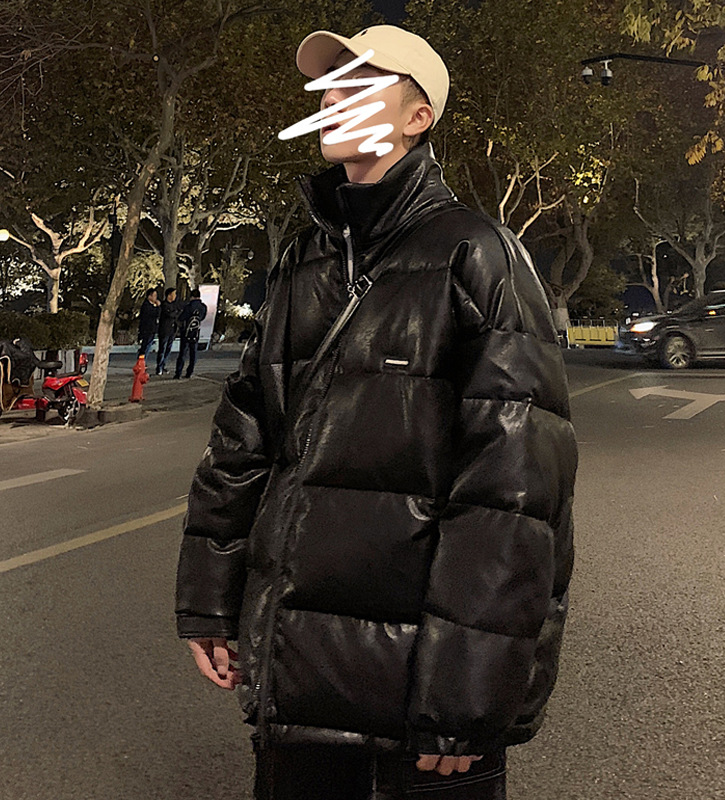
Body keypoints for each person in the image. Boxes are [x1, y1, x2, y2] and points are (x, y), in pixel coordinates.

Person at [176, 25, 577, 800]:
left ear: (418, 117)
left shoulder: (478, 256)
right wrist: (208, 603)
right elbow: (242, 440)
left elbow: (513, 496)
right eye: (330, 85)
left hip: (420, 698)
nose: (333, 98)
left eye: (360, 84)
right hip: (300, 675)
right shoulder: (303, 262)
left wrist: (466, 696)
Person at [174, 288, 207, 379]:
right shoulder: (203, 307)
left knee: (183, 353)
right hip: (196, 332)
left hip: (186, 331)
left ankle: (178, 373)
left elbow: (182, 317)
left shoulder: (188, 306)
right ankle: (189, 372)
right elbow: (202, 317)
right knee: (193, 353)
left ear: (192, 297)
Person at [156, 287, 181, 376]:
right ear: (169, 295)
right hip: (164, 329)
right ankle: (159, 367)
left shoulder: (174, 305)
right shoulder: (164, 305)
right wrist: (175, 313)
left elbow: (177, 313)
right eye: (174, 294)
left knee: (168, 349)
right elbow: (170, 314)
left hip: (172, 330)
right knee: (162, 349)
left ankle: (163, 365)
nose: (175, 296)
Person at [137, 288, 160, 363]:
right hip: (147, 329)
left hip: (151, 329)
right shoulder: (146, 306)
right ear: (149, 296)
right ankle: (141, 361)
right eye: (154, 295)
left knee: (148, 346)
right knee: (145, 346)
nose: (156, 297)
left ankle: (142, 361)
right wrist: (158, 307)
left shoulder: (151, 306)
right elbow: (154, 314)